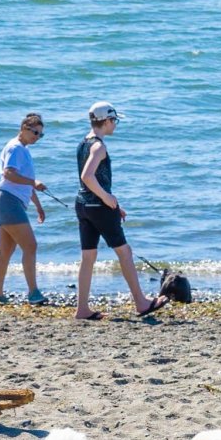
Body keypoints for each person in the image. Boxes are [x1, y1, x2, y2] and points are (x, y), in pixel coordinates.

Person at [73, 101, 169, 321]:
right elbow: (87, 177)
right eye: (114, 121)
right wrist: (107, 198)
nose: (115, 125)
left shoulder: (82, 143)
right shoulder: (99, 146)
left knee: (88, 256)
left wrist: (115, 205)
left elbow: (91, 181)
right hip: (98, 206)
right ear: (105, 121)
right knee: (124, 252)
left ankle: (82, 309)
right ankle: (141, 303)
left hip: (83, 205)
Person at [0, 113, 47, 305]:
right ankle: (33, 293)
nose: (37, 137)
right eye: (35, 132)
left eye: (40, 135)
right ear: (24, 128)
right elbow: (9, 174)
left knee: (6, 251)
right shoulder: (15, 148)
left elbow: (25, 185)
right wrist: (33, 182)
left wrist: (38, 206)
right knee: (30, 246)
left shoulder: (22, 149)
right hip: (8, 202)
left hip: (6, 202)